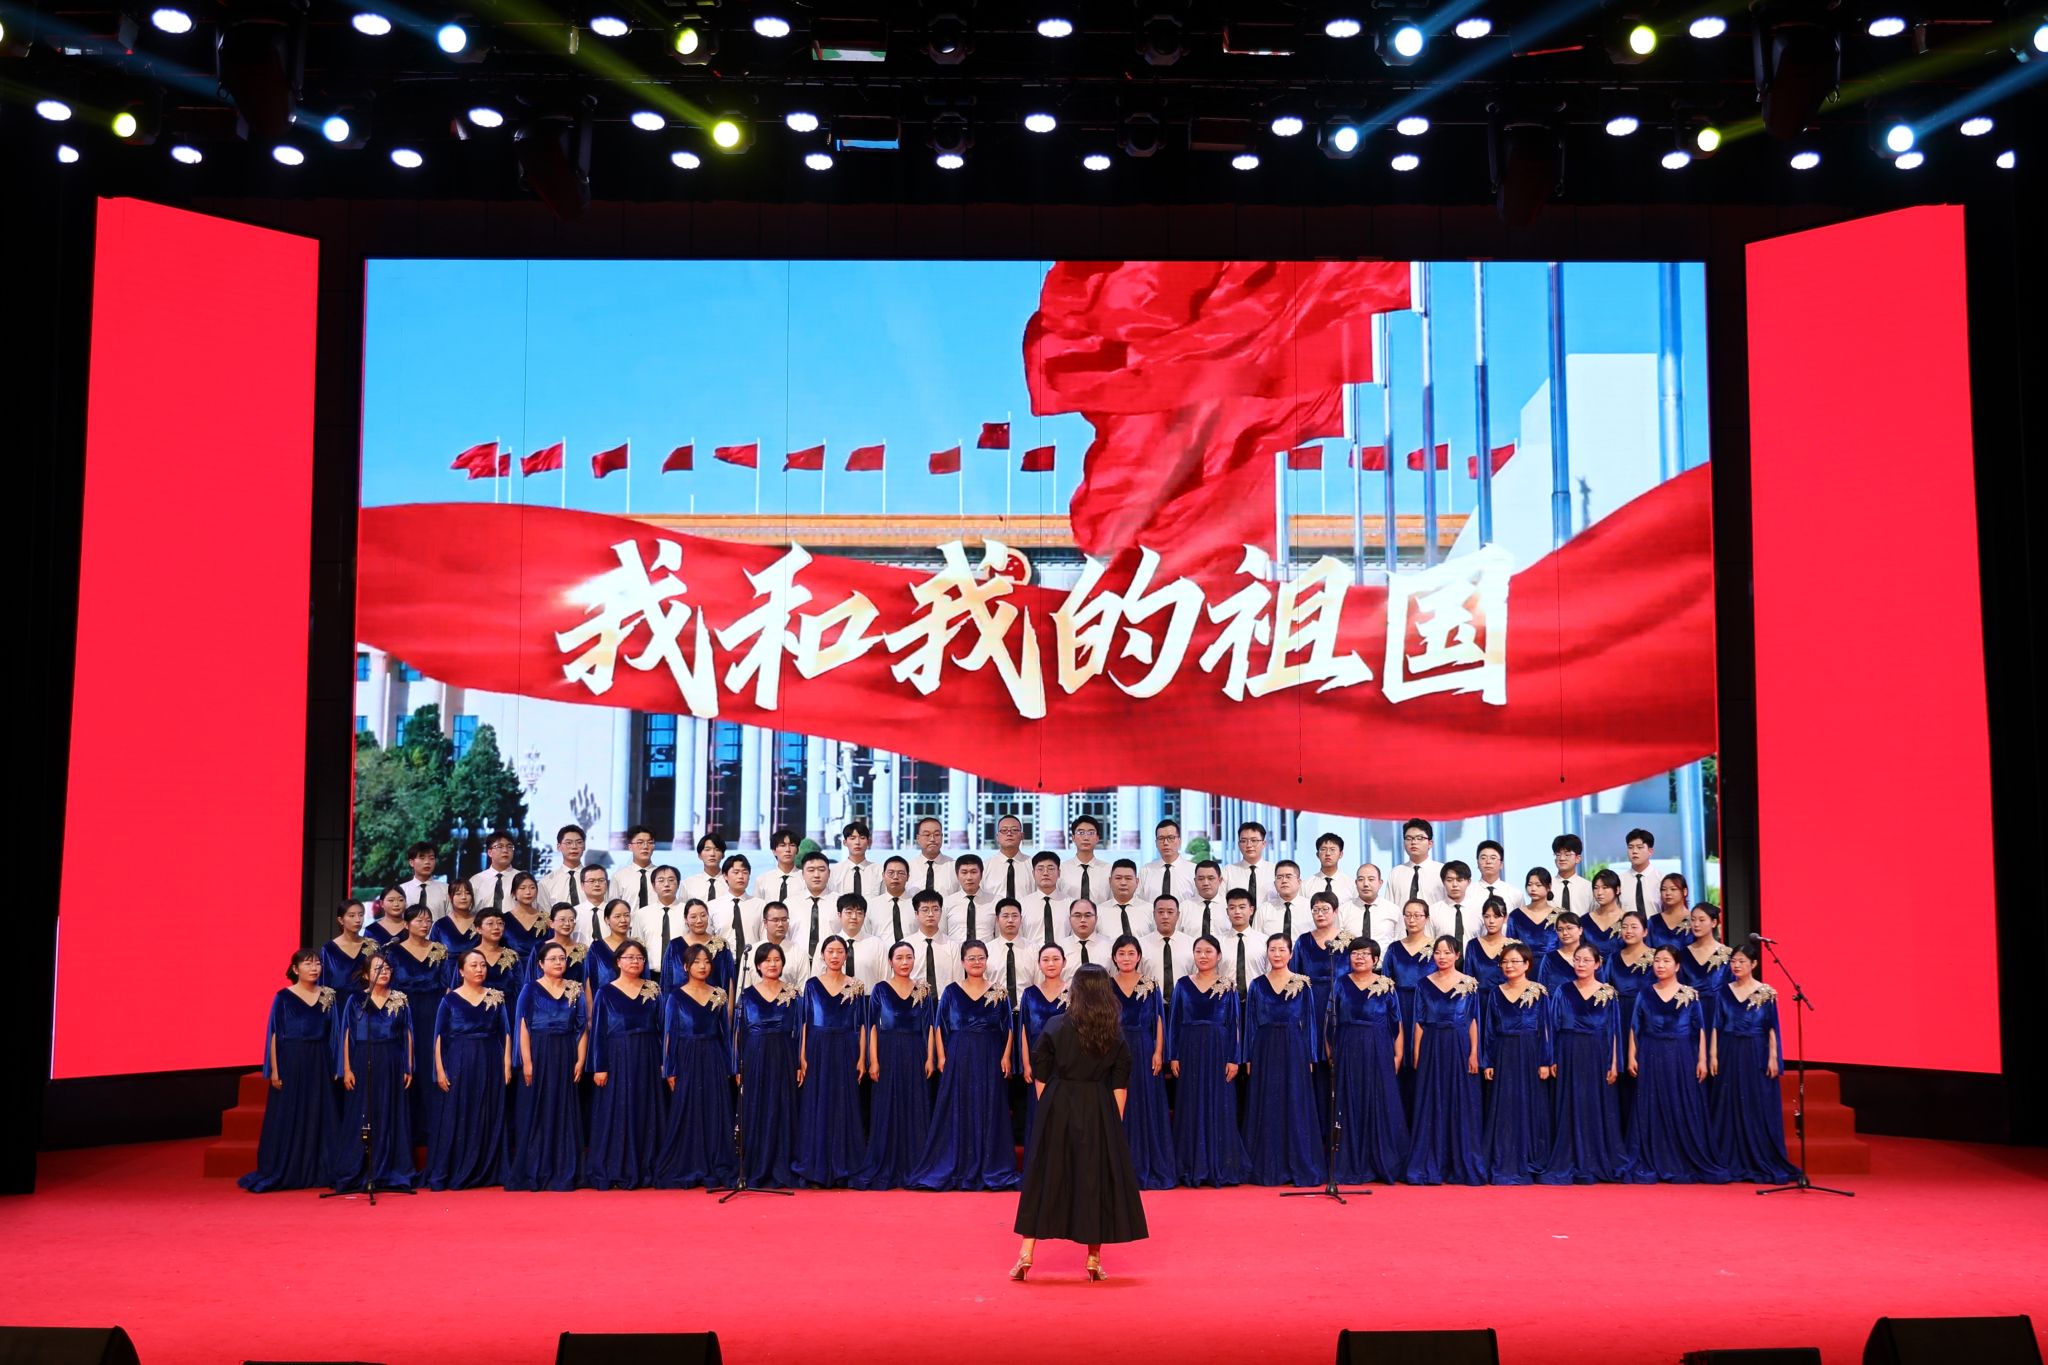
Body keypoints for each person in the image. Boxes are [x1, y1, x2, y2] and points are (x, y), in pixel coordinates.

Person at [1012, 964, 1149, 1282]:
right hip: (1098, 1107)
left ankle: (1026, 1253)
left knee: (1044, 1177)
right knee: (1093, 1178)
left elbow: (1040, 1071)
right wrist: (1113, 1122)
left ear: (1074, 991)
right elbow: (1120, 1083)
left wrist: (1049, 1107)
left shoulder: (1055, 1024)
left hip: (1058, 1104)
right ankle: (1093, 1259)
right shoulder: (1113, 1032)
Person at [909, 941, 1020, 1191]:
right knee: (959, 1105)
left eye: (981, 957)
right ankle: (958, 1162)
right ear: (962, 962)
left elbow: (1009, 1028)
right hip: (959, 1054)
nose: (976, 962)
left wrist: (1006, 1057)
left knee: (989, 1104)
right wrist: (941, 1056)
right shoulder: (951, 991)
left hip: (990, 1053)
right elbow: (940, 1025)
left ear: (987, 960)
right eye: (971, 958)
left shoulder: (999, 992)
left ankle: (990, 1163)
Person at [238, 952, 340, 1193]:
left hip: (320, 1059)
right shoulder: (283, 997)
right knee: (289, 1112)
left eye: (317, 963)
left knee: (320, 1112)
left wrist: (336, 1065)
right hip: (291, 1059)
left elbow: (335, 1032)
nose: (314, 968)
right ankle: (289, 1167)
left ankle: (320, 1168)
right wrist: (275, 1069)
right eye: (308, 963)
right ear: (295, 969)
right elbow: (275, 1034)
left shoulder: (328, 995)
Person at [1626, 946, 1729, 1184]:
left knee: (1681, 1102)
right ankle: (1653, 1155)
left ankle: (1682, 1156)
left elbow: (1699, 1029)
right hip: (1651, 1052)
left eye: (1666, 961)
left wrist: (1702, 1059)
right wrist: (1632, 1056)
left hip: (1682, 1054)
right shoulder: (1645, 993)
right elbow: (1634, 1027)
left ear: (1677, 966)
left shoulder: (1690, 994)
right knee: (1651, 1105)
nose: (1660, 965)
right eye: (1657, 961)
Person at [1709, 941, 1798, 1183]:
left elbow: (1772, 1028)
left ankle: (1760, 1155)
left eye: (1742, 962)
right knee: (1727, 1101)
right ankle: (1728, 1156)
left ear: (1754, 964)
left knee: (1755, 1100)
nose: (1736, 966)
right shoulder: (1723, 992)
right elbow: (1716, 1025)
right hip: (1728, 1049)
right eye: (1733, 961)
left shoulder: (1766, 992)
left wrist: (1773, 1056)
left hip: (1756, 1050)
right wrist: (1713, 1055)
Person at [1165, 936, 1248, 1187]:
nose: (1203, 956)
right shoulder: (1182, 985)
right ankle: (1190, 1164)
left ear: (1218, 956)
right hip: (1189, 1050)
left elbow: (1234, 1024)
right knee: (1190, 1103)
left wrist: (1234, 1059)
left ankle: (1220, 1164)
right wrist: (1173, 1055)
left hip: (1218, 1050)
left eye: (1208, 951)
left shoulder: (1228, 986)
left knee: (1219, 1102)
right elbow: (1174, 1022)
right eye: (1198, 951)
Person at [427, 947, 511, 1191]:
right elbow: (439, 1036)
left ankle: (489, 1169)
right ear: (461, 971)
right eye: (473, 965)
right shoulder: (449, 999)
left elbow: (505, 1033)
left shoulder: (496, 997)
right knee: (459, 1110)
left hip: (490, 1058)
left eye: (483, 965)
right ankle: (457, 1168)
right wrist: (440, 1070)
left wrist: (506, 1064)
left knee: (488, 1110)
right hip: (459, 1059)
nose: (479, 969)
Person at [1543, 944, 1629, 1184]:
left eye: (1586, 960)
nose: (1580, 964)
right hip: (1568, 1052)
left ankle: (1596, 1157)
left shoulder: (1608, 993)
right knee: (1570, 1103)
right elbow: (1553, 1025)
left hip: (1598, 1053)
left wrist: (1615, 1063)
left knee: (1596, 1104)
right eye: (1577, 959)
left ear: (1597, 964)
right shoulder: (1562, 991)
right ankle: (1569, 1156)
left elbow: (1614, 1030)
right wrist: (1551, 1058)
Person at [1325, 938, 1409, 1186]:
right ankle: (1351, 1162)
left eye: (1364, 954)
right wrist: (1331, 1052)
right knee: (1349, 1100)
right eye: (1355, 953)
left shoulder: (1386, 985)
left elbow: (1396, 1023)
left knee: (1380, 1100)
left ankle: (1382, 1161)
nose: (1359, 958)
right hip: (1347, 1046)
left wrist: (1398, 1055)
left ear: (1375, 960)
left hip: (1379, 1047)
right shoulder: (1340, 983)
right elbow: (1330, 1021)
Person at [1242, 933, 1323, 1187]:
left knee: (1294, 1100)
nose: (1277, 954)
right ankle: (1268, 1164)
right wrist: (1248, 1056)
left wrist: (1311, 1055)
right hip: (1264, 1047)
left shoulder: (1302, 984)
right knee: (1267, 1101)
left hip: (1294, 1046)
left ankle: (1296, 1161)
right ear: (1267, 953)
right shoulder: (1257, 985)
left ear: (1291, 954)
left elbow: (1310, 1022)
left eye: (1282, 949)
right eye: (1272, 949)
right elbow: (1250, 1023)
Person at [1403, 935, 1485, 1186]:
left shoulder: (1469, 983)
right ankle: (1430, 1161)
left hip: (1460, 1044)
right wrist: (1417, 1053)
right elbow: (1419, 1021)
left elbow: (1473, 1020)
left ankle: (1460, 1162)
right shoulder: (1423, 984)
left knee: (1460, 1099)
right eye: (1438, 952)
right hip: (1432, 1044)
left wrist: (1474, 1052)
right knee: (1431, 1099)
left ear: (1457, 956)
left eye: (1448, 952)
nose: (1442, 957)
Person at [655, 943, 737, 1190]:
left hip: (713, 1056)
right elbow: (669, 1034)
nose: (703, 966)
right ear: (686, 966)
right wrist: (670, 1068)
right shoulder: (675, 996)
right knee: (687, 1109)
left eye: (707, 962)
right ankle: (689, 1162)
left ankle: (716, 1161)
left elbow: (725, 1033)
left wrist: (730, 1066)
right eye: (697, 962)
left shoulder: (719, 994)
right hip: (686, 1056)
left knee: (715, 1109)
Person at [856, 942, 937, 1190]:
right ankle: (886, 1162)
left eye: (909, 957)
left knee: (915, 1105)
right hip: (887, 1051)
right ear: (890, 961)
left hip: (915, 1051)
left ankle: (914, 1163)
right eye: (899, 957)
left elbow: (930, 1026)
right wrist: (873, 1060)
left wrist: (930, 1057)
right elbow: (872, 1026)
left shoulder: (923, 990)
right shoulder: (880, 989)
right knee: (887, 1105)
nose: (904, 962)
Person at [583, 939, 663, 1188]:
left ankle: (646, 1163)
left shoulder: (653, 989)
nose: (635, 962)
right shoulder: (605, 992)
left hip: (648, 1054)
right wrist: (600, 1066)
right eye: (629, 957)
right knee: (618, 1107)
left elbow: (662, 1028)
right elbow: (598, 1032)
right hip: (617, 1056)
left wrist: (664, 1061)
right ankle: (617, 1165)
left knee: (645, 1107)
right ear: (618, 962)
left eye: (639, 958)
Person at [507, 941, 586, 1191]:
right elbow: (523, 1026)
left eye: (562, 958)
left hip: (566, 1052)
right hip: (538, 1051)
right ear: (540, 964)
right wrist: (527, 1062)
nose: (559, 963)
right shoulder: (530, 989)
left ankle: (564, 1167)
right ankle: (536, 1168)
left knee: (564, 1108)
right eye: (553, 959)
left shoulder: (575, 989)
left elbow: (582, 1027)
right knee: (538, 1109)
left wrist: (581, 1059)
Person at [332, 952, 415, 1191]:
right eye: (379, 968)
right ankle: (359, 1169)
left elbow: (407, 1034)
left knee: (391, 1110)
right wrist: (346, 1068)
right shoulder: (356, 1000)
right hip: (362, 1058)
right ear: (367, 975)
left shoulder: (400, 999)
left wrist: (408, 1066)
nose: (384, 972)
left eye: (387, 968)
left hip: (392, 1059)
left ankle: (391, 1170)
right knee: (362, 1111)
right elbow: (347, 1032)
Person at [792, 936, 867, 1187]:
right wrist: (802, 1056)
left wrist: (862, 1058)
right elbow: (805, 1021)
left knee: (844, 1102)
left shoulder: (856, 985)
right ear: (822, 955)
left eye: (840, 951)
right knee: (818, 1103)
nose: (835, 956)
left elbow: (862, 1024)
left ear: (846, 955)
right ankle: (816, 1167)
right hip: (818, 1047)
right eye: (830, 951)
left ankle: (843, 1167)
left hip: (846, 1046)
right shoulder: (812, 985)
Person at [1478, 943, 1553, 1185]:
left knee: (1530, 1103)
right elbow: (1489, 1029)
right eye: (1505, 962)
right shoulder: (1495, 992)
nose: (1509, 966)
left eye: (1514, 961)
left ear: (1527, 964)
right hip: (1503, 1052)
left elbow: (1545, 1027)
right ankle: (1504, 1157)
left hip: (1530, 1052)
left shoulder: (1538, 991)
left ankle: (1530, 1156)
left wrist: (1545, 1061)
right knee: (1504, 1106)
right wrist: (1488, 1061)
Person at [1108, 935, 1175, 1189]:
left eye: (1131, 953)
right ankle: (1118, 1168)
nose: (1126, 958)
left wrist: (1158, 1052)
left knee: (1145, 1101)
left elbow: (1158, 1019)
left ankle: (1148, 1162)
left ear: (1139, 957)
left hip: (1145, 1049)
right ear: (1114, 958)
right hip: (1114, 1049)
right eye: (1121, 954)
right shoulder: (1106, 985)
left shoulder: (1150, 984)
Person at [735, 943, 803, 1188]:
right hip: (755, 1056)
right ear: (757, 965)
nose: (772, 964)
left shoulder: (793, 994)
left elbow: (799, 1030)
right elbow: (738, 1032)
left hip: (784, 1055)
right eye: (767, 960)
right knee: (757, 1107)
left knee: (782, 1107)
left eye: (777, 959)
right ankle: (756, 1165)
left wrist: (799, 1062)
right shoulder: (746, 995)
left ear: (783, 963)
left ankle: (782, 1165)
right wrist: (737, 1066)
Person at [383, 905, 449, 1152]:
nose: (425, 924)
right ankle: (406, 1135)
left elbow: (447, 986)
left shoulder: (440, 950)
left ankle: (435, 1134)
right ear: (406, 924)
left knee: (432, 1066)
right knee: (408, 1067)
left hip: (433, 1013)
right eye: (419, 920)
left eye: (428, 920)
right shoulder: (393, 951)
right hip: (404, 1013)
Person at [1017, 943, 1069, 1147]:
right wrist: (1026, 1064)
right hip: (1038, 1060)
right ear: (1039, 964)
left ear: (1064, 962)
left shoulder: (1073, 992)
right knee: (1039, 1110)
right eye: (1045, 960)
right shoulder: (1029, 994)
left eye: (1056, 959)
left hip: (1066, 1061)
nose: (1051, 964)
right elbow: (1023, 1029)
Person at [662, 898, 736, 993]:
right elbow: (667, 981)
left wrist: (728, 1003)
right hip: (681, 1001)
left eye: (703, 915)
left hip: (714, 1001)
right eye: (693, 917)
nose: (699, 920)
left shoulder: (721, 945)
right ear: (686, 919)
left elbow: (729, 981)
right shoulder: (675, 945)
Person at [740, 902, 809, 991]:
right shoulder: (750, 952)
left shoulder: (799, 953)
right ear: (765, 923)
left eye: (784, 920)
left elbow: (803, 989)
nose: (780, 924)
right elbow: (742, 989)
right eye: (775, 920)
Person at [902, 891, 959, 992]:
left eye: (935, 909)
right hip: (913, 1000)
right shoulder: (905, 946)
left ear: (941, 912)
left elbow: (958, 983)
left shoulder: (953, 946)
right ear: (916, 914)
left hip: (945, 1000)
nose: (930, 914)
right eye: (925, 910)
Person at [1137, 895, 1196, 991]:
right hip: (1151, 999)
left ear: (1178, 915)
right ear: (1154, 914)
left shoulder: (1192, 944)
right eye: (1160, 912)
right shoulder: (1141, 945)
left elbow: (1197, 978)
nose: (1165, 916)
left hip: (1183, 999)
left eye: (1170, 912)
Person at [1678, 905, 1733, 1003]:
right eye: (1693, 920)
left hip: (1718, 1009)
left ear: (1714, 923)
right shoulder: (1682, 954)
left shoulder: (1727, 954)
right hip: (1691, 1009)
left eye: (1701, 920)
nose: (1696, 924)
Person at [321, 901, 375, 999]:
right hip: (338, 1003)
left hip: (365, 1003)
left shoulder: (372, 946)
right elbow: (324, 983)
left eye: (361, 915)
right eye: (352, 916)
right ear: (341, 920)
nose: (358, 920)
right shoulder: (329, 949)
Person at [1537, 912, 1599, 995]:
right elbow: (1542, 988)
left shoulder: (1591, 956)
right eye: (1560, 929)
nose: (1565, 933)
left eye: (1569, 928)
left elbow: (1601, 987)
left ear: (1580, 930)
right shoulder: (1550, 958)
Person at [586, 899, 638, 998]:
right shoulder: (597, 947)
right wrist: (590, 1007)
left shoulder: (636, 947)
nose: (623, 920)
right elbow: (589, 980)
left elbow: (645, 979)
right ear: (607, 920)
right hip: (605, 1002)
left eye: (626, 915)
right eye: (617, 916)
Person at [1389, 818, 1444, 909]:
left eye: (1420, 838)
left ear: (1430, 843)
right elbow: (1390, 908)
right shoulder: (1396, 872)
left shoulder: (1442, 871)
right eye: (1409, 838)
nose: (1414, 842)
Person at [941, 854, 997, 944]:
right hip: (956, 952)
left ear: (981, 874)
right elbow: (942, 936)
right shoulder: (946, 903)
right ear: (957, 875)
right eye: (964, 872)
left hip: (987, 952)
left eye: (974, 872)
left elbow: (999, 937)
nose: (969, 877)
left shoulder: (995, 901)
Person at [1139, 817, 1194, 904]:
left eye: (1171, 838)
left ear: (1179, 841)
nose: (1166, 843)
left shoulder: (1193, 870)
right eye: (1161, 838)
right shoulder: (1146, 870)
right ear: (1156, 843)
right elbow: (1139, 902)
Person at [1461, 898, 1511, 989]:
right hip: (1478, 997)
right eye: (1487, 916)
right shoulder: (1473, 945)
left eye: (1496, 916)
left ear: (1505, 918)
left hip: (1505, 996)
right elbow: (1468, 980)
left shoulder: (1513, 947)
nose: (1491, 921)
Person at [535, 824, 589, 911]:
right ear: (559, 847)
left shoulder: (595, 880)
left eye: (579, 842)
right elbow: (544, 915)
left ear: (584, 846)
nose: (574, 847)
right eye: (568, 843)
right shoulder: (546, 882)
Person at [531, 903, 586, 986]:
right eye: (562, 919)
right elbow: (530, 979)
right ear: (551, 923)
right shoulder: (539, 949)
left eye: (571, 920)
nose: (567, 923)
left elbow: (588, 982)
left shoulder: (583, 951)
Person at [610, 824, 662, 914]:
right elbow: (613, 908)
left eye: (650, 842)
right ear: (630, 847)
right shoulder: (619, 876)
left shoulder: (662, 875)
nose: (645, 847)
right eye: (640, 842)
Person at [465, 832, 519, 917]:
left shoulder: (522, 879)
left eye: (509, 847)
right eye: (500, 846)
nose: (505, 850)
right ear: (489, 852)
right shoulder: (476, 880)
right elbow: (468, 912)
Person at [1060, 814, 1111, 902]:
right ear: (1073, 838)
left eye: (1091, 833)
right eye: (1081, 833)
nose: (1086, 838)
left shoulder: (1108, 870)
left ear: (1097, 838)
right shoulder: (1061, 869)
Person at [1510, 868, 1560, 956]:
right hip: (1523, 963)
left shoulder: (1559, 915)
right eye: (1529, 885)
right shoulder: (1516, 915)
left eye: (1538, 885)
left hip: (1552, 963)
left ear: (1549, 887)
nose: (1533, 889)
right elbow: (1510, 947)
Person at [1222, 820, 1274, 904]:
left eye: (1254, 840)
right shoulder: (1228, 872)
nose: (1249, 845)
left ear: (1264, 844)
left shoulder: (1275, 871)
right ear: (1239, 845)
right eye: (1243, 841)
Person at [1098, 860, 1151, 940]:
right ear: (1110, 881)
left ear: (1137, 882)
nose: (1123, 883)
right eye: (1118, 878)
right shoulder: (1098, 911)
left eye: (1128, 878)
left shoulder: (1150, 910)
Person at [501, 872, 550, 959]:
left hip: (540, 966)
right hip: (514, 966)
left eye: (532, 888)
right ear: (514, 893)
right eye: (522, 888)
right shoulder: (504, 920)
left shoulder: (547, 919)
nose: (528, 892)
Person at [400, 840, 453, 919]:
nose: (427, 862)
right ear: (411, 862)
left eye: (431, 858)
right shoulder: (401, 890)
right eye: (422, 858)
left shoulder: (446, 889)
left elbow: (452, 919)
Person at [908, 815, 957, 897]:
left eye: (937, 834)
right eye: (927, 835)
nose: (932, 839)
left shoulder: (954, 867)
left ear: (942, 837)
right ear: (918, 838)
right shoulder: (908, 868)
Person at [1582, 869, 1627, 959]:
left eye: (1605, 887)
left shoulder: (1627, 920)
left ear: (1617, 890)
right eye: (1596, 888)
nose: (1599, 892)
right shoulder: (1584, 921)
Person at [828, 820, 877, 898]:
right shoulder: (834, 872)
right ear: (845, 842)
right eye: (852, 838)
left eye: (862, 838)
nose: (857, 842)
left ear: (869, 842)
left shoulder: (879, 871)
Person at [752, 828, 801, 906]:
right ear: (774, 851)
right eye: (782, 845)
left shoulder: (805, 878)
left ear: (797, 850)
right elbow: (757, 908)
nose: (788, 850)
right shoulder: (762, 880)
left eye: (792, 845)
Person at [431, 877, 481, 952]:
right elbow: (434, 955)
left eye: (467, 893)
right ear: (450, 897)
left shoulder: (480, 923)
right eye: (458, 894)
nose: (463, 897)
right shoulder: (440, 925)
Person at [1473, 839, 1524, 913]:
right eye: (1483, 858)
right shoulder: (1467, 892)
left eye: (1493, 858)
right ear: (1477, 863)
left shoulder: (1515, 894)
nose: (1488, 861)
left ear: (1501, 864)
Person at [1648, 873, 1695, 951]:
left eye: (1673, 889)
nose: (1668, 893)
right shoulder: (1654, 921)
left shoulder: (1694, 920)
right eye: (1663, 889)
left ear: (1685, 891)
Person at [680, 832, 728, 907]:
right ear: (699, 855)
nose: (712, 854)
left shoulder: (731, 883)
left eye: (717, 849)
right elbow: (683, 911)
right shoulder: (687, 884)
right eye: (707, 849)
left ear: (723, 855)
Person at [1551, 834, 1594, 915]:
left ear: (1578, 858)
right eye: (1558, 854)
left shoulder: (1588, 887)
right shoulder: (1547, 886)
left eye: (1567, 854)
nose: (1562, 858)